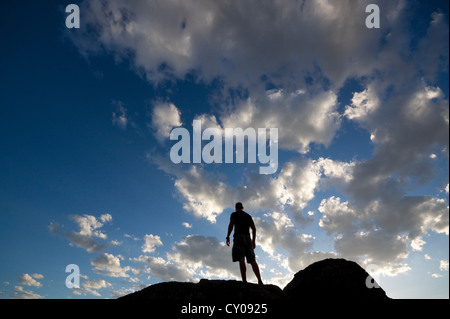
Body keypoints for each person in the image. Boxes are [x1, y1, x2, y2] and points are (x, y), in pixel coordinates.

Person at [226, 202, 263, 284]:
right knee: (252, 260)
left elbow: (231, 225)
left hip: (238, 237)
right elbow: (254, 228)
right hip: (247, 238)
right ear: (242, 207)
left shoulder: (234, 214)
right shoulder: (248, 216)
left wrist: (228, 236)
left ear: (236, 208)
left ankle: (244, 281)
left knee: (241, 259)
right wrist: (253, 241)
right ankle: (259, 280)